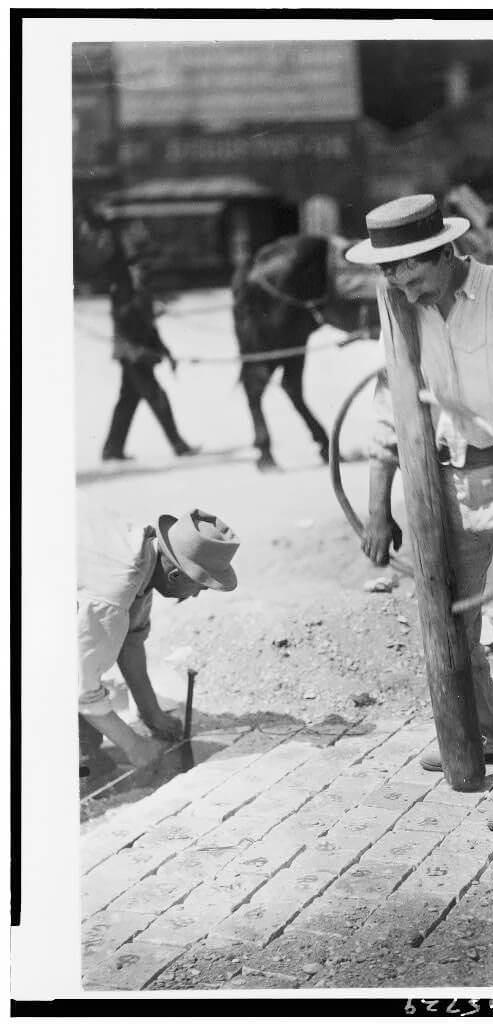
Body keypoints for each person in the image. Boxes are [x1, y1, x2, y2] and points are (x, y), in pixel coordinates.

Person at [346, 194, 493, 832]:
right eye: (388, 270)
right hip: (442, 489)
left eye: (407, 267)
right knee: (454, 625)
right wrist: (379, 504)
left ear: (445, 251)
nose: (396, 280)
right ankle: (481, 731)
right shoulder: (400, 311)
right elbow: (388, 405)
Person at [77, 495, 240, 773]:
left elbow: (131, 644)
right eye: (200, 586)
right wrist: (134, 746)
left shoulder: (145, 557)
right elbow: (82, 689)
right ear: (176, 575)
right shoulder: (113, 595)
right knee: (82, 745)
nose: (198, 595)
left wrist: (152, 713)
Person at [100, 244, 199, 462]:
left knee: (127, 402)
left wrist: (166, 352)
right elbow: (125, 320)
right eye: (141, 267)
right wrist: (147, 308)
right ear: (131, 268)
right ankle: (179, 446)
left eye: (148, 267)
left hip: (140, 355)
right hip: (132, 355)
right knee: (157, 398)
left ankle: (112, 450)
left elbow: (150, 329)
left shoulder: (143, 291)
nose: (145, 271)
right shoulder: (123, 290)